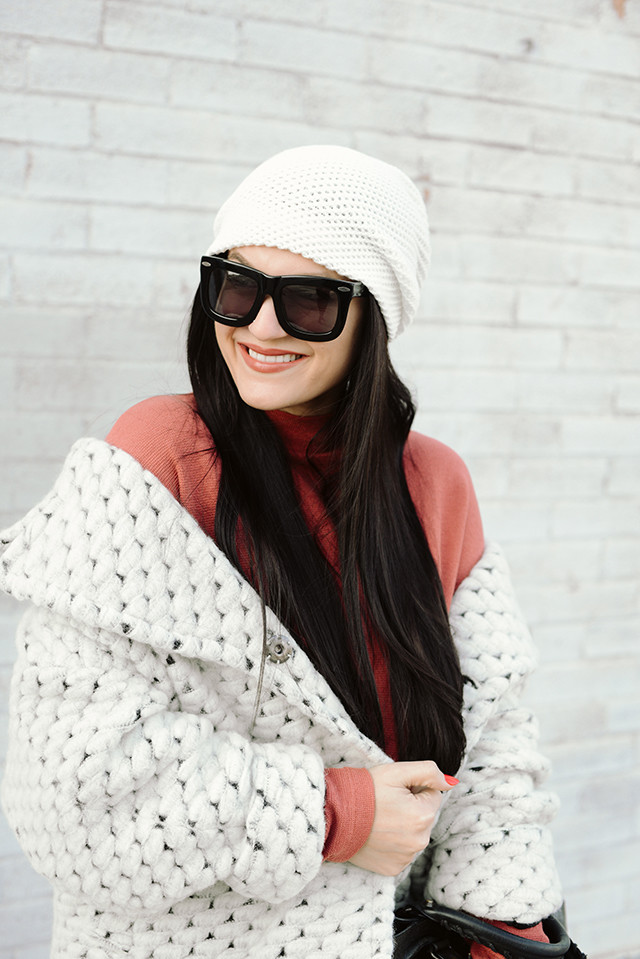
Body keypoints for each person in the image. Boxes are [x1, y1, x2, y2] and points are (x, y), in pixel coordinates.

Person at [0, 145, 563, 958]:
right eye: (236, 287)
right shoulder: (158, 459)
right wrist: (339, 813)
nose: (260, 326)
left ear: (376, 315)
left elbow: (497, 744)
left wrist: (500, 928)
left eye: (308, 300)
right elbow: (73, 790)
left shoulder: (433, 484)